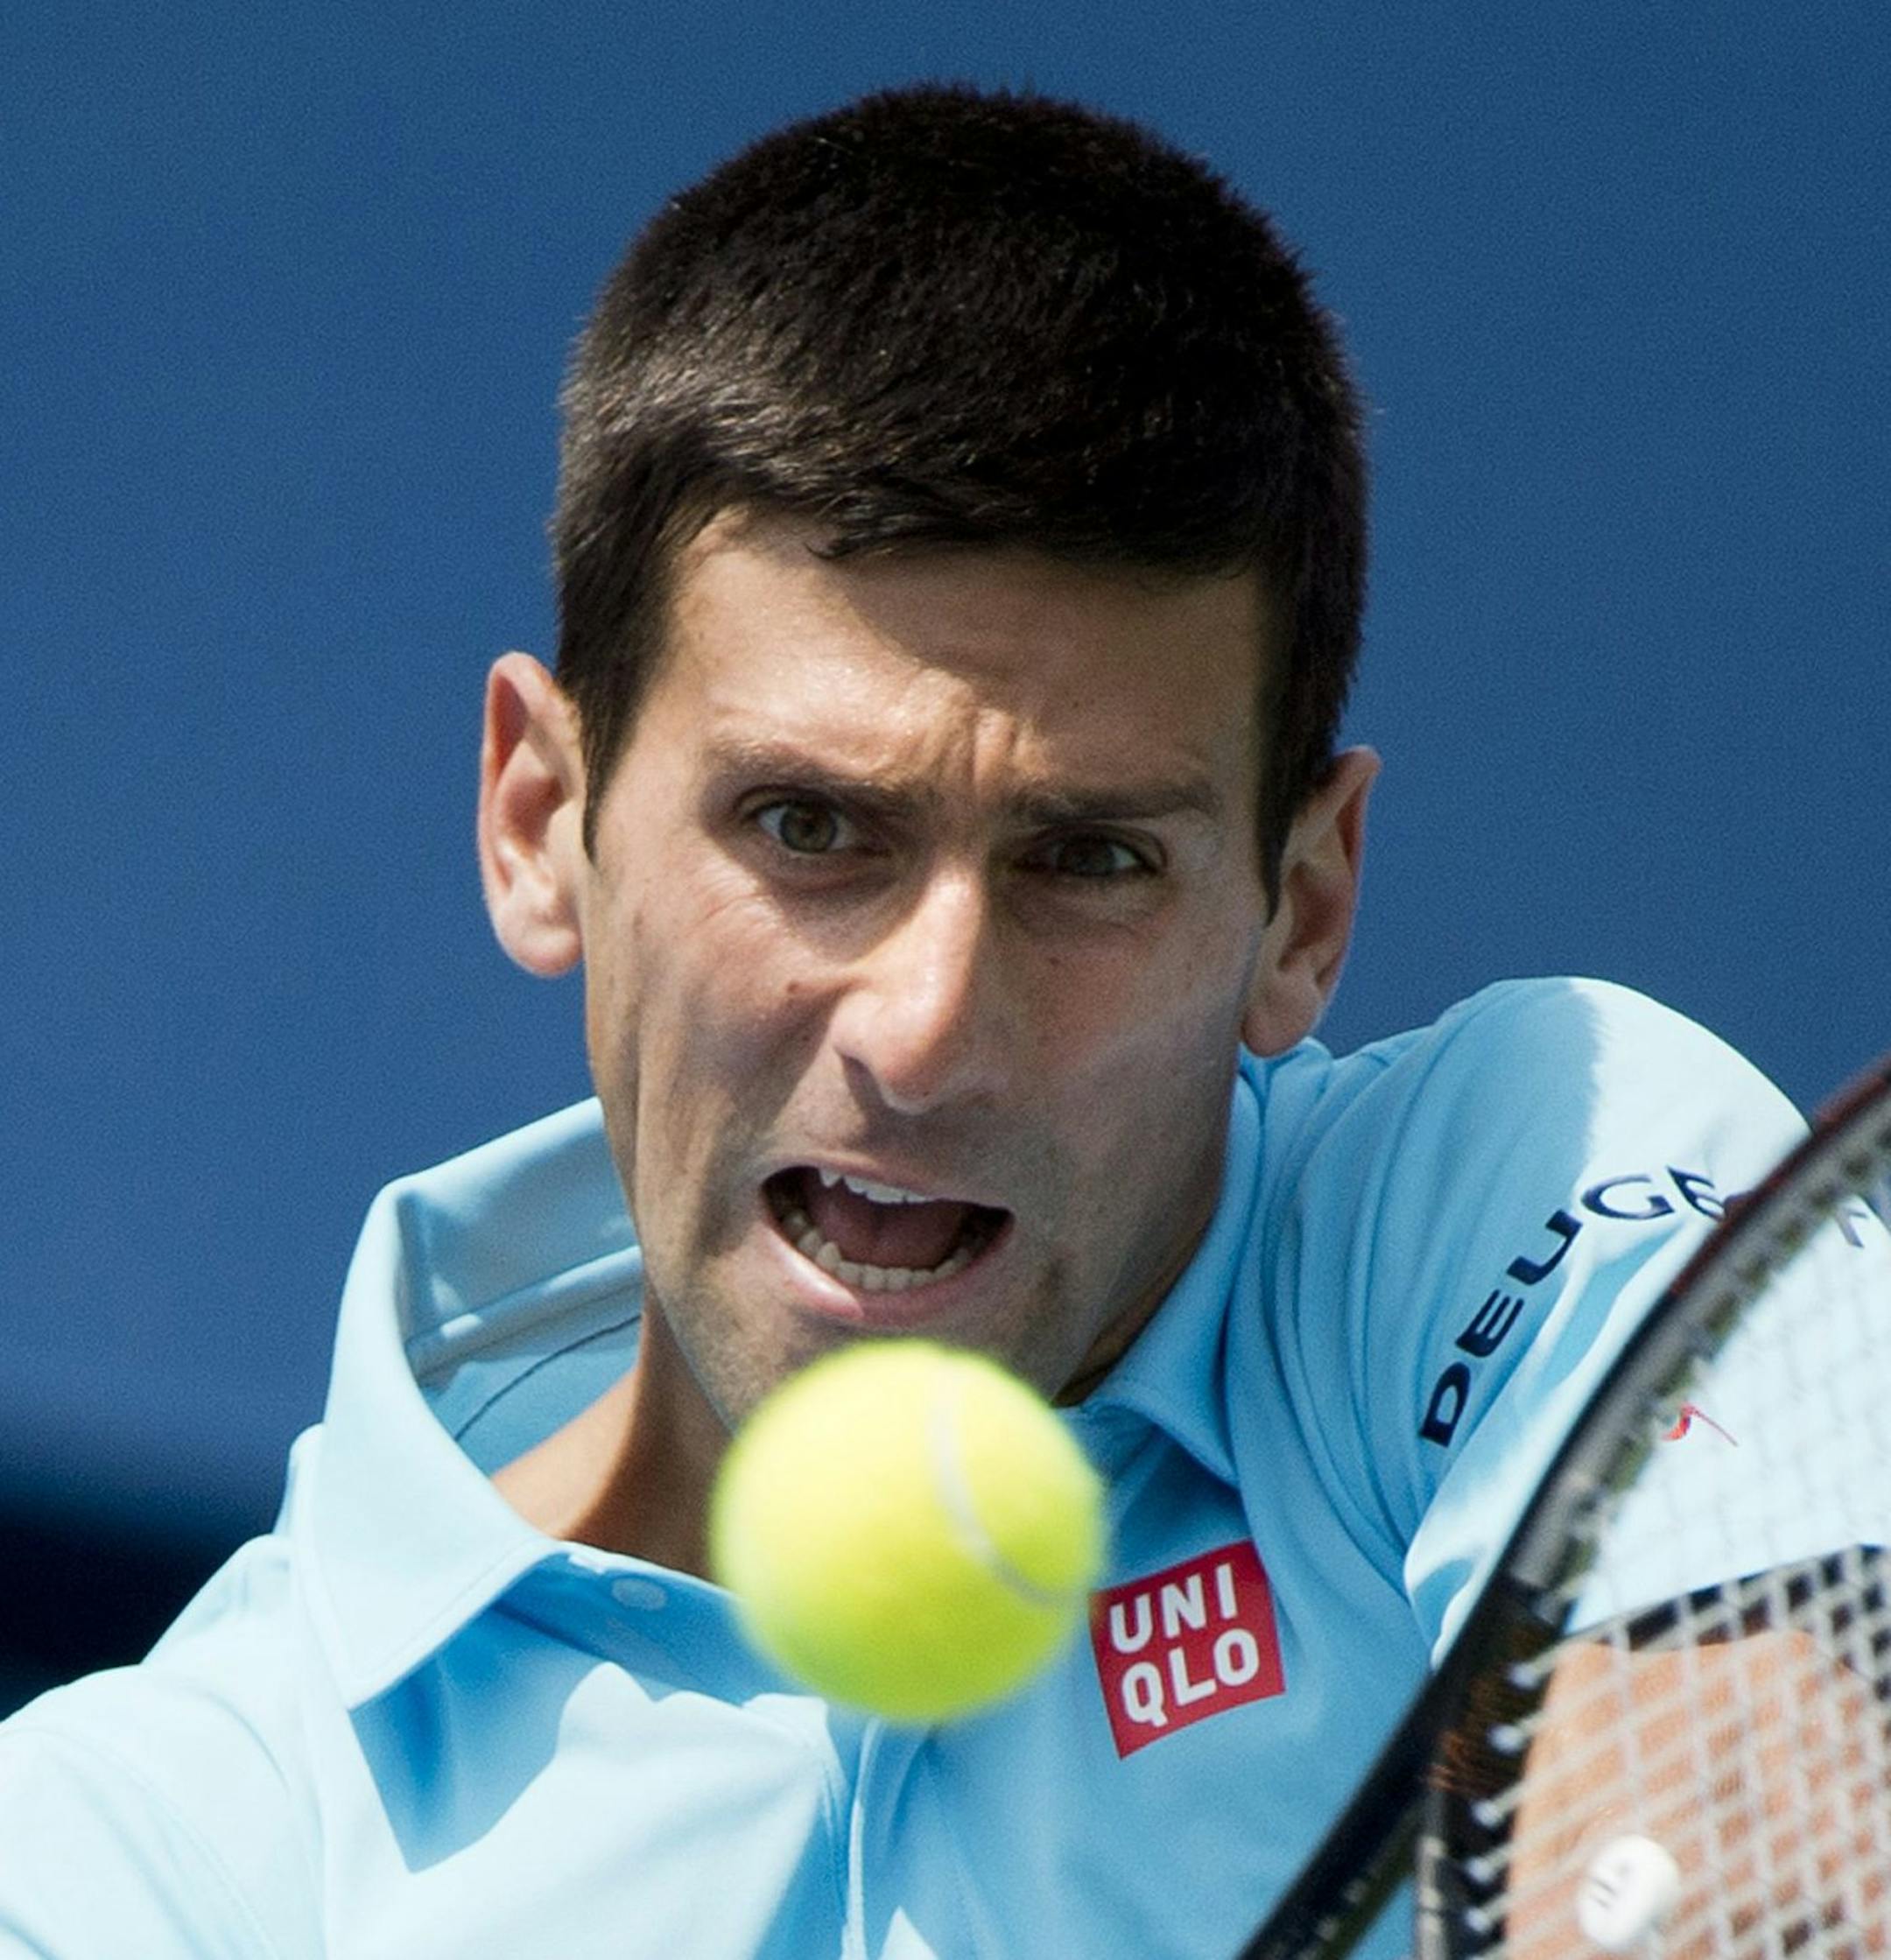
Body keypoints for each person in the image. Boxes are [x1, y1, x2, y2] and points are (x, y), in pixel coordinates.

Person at [0, 83, 1810, 1959]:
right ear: (545, 818)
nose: (931, 1032)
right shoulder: (158, 1853)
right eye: (808, 827)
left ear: (1307, 906)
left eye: (1089, 860)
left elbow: (1741, 1840)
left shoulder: (1520, 1184)